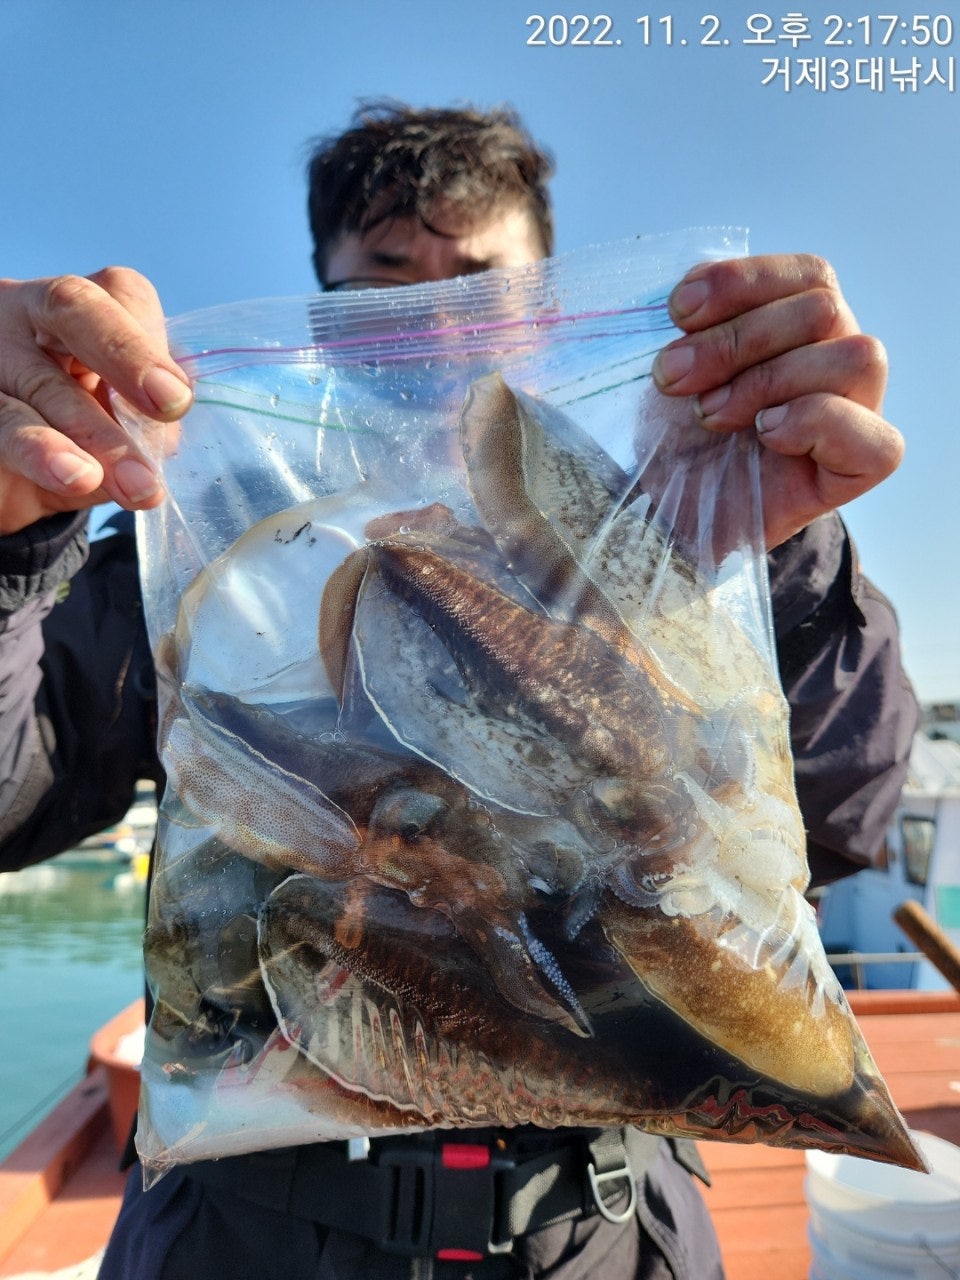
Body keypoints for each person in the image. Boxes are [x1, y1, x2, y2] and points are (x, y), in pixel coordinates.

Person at [0, 103, 917, 1280]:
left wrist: (777, 555)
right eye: (384, 282)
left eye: (481, 284)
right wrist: (13, 544)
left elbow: (840, 816)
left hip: (607, 1218)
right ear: (328, 315)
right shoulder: (212, 544)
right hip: (247, 1226)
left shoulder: (656, 525)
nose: (435, 323)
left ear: (546, 308)